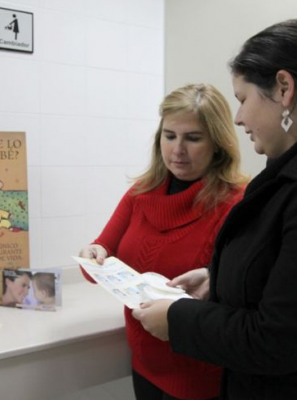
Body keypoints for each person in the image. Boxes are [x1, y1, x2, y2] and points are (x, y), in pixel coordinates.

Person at [132, 19, 297, 400]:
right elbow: (285, 276)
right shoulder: (295, 174)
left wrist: (177, 320)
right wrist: (218, 278)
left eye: (243, 99)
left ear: (283, 88)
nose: (239, 117)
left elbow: (277, 339)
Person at [79, 83, 247, 400]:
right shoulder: (141, 193)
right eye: (169, 136)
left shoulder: (236, 203)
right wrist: (93, 254)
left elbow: (240, 301)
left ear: (218, 144)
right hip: (144, 365)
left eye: (193, 138)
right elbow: (93, 265)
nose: (177, 149)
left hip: (201, 376)